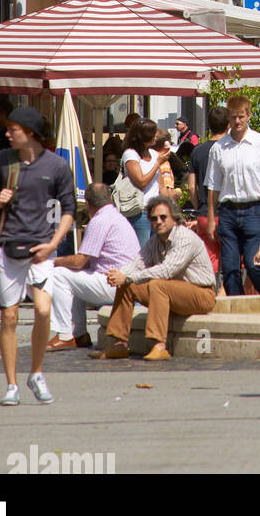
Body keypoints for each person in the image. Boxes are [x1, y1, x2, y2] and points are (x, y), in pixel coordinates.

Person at [0, 106, 75, 405]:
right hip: (9, 248)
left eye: (13, 129)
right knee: (9, 316)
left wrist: (53, 245)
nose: (7, 134)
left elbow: (69, 210)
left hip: (41, 249)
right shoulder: (2, 161)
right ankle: (11, 384)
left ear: (29, 132)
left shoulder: (57, 165)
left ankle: (36, 372)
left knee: (44, 311)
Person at [90, 195, 217, 360]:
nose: (159, 221)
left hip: (202, 294)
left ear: (174, 218)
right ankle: (119, 344)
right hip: (173, 293)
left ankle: (159, 346)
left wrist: (128, 277)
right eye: (154, 218)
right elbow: (136, 264)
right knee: (128, 285)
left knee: (157, 284)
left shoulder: (185, 238)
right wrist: (118, 275)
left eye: (163, 217)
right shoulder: (154, 242)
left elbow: (166, 271)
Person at [47, 182, 141, 349]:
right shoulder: (116, 216)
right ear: (109, 198)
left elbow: (79, 261)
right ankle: (79, 334)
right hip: (125, 282)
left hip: (114, 283)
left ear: (88, 204)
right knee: (72, 277)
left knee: (58, 274)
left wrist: (52, 262)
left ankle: (65, 334)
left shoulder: (99, 221)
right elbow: (83, 263)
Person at [206, 96, 260, 297]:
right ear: (228, 119)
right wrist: (212, 219)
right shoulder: (219, 148)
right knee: (229, 269)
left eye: (241, 117)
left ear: (248, 116)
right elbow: (213, 187)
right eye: (233, 118)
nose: (237, 122)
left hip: (255, 210)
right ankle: (236, 307)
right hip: (229, 211)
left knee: (252, 263)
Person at [187, 104, 228, 267]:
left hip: (204, 214)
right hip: (227, 213)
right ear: (228, 125)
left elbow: (191, 187)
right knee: (231, 261)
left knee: (209, 263)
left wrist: (200, 206)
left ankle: (212, 292)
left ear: (209, 126)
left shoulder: (197, 151)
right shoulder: (227, 149)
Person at [120, 117, 165, 246]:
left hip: (156, 210)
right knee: (142, 251)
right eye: (152, 132)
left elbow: (159, 184)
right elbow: (141, 182)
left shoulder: (154, 154)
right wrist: (157, 164)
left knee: (155, 252)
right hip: (140, 211)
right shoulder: (131, 155)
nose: (156, 135)